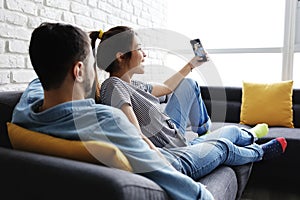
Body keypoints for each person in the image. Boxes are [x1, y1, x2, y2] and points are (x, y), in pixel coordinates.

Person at [11, 22, 285, 200]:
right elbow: (145, 149)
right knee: (225, 142)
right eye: (91, 61)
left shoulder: (26, 110)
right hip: (170, 156)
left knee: (228, 129)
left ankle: (241, 134)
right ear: (79, 70)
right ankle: (256, 148)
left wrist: (191, 64)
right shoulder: (109, 117)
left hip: (170, 140)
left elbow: (38, 82)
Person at [91, 25, 287, 161]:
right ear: (120, 56)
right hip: (174, 149)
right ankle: (255, 147)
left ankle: (224, 131)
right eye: (140, 49)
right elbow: (134, 134)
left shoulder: (135, 85)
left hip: (175, 135)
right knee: (230, 137)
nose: (145, 54)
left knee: (189, 84)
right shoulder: (114, 85)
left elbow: (167, 88)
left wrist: (192, 64)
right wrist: (161, 161)